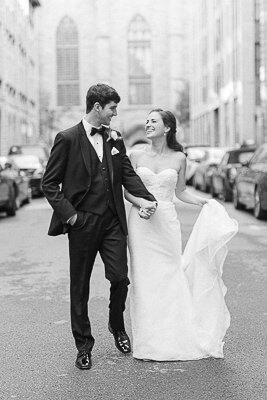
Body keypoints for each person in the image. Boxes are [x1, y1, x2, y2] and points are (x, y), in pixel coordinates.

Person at [42, 84, 157, 370]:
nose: (115, 114)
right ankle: (83, 346)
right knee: (79, 287)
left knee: (120, 279)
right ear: (97, 107)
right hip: (82, 222)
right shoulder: (67, 138)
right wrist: (71, 217)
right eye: (112, 108)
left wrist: (148, 199)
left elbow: (127, 174)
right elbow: (49, 183)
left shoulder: (115, 138)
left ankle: (117, 325)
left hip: (112, 222)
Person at [125, 108, 238, 361]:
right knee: (143, 279)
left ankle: (174, 335)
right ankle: (148, 341)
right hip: (141, 222)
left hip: (166, 222)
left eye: (153, 121)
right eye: (147, 121)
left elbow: (180, 191)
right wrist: (142, 203)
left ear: (167, 128)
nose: (147, 124)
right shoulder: (135, 154)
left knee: (169, 276)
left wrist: (203, 202)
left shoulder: (179, 158)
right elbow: (127, 191)